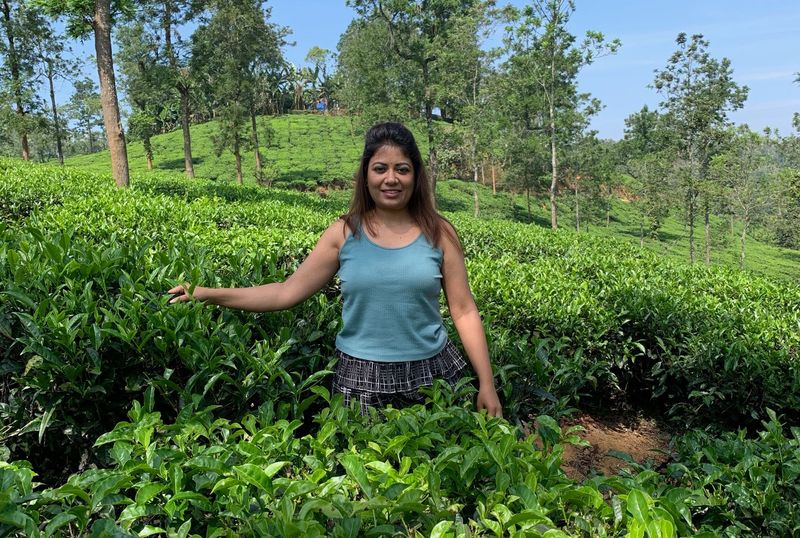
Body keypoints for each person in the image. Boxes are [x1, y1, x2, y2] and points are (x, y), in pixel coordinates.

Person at [169, 122, 502, 417]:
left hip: (435, 373)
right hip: (362, 378)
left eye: (402, 169)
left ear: (415, 176)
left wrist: (486, 383)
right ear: (365, 175)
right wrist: (206, 294)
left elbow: (463, 310)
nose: (391, 179)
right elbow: (286, 291)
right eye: (380, 168)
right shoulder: (343, 234)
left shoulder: (440, 233)